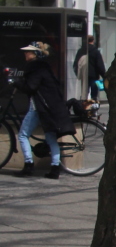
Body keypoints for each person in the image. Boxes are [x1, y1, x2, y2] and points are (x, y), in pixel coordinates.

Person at [16, 42, 74, 179]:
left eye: (28, 52)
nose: (25, 54)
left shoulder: (36, 68)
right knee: (51, 138)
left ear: (36, 54)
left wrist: (17, 83)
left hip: (39, 107)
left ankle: (28, 165)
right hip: (50, 108)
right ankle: (55, 168)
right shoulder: (46, 68)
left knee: (23, 135)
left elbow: (30, 87)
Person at [74, 35, 108, 101]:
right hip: (94, 75)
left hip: (84, 75)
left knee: (84, 93)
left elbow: (76, 64)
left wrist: (78, 74)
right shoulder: (96, 52)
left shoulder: (81, 51)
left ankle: (84, 106)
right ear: (93, 41)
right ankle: (93, 107)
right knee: (94, 95)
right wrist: (104, 76)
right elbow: (99, 65)